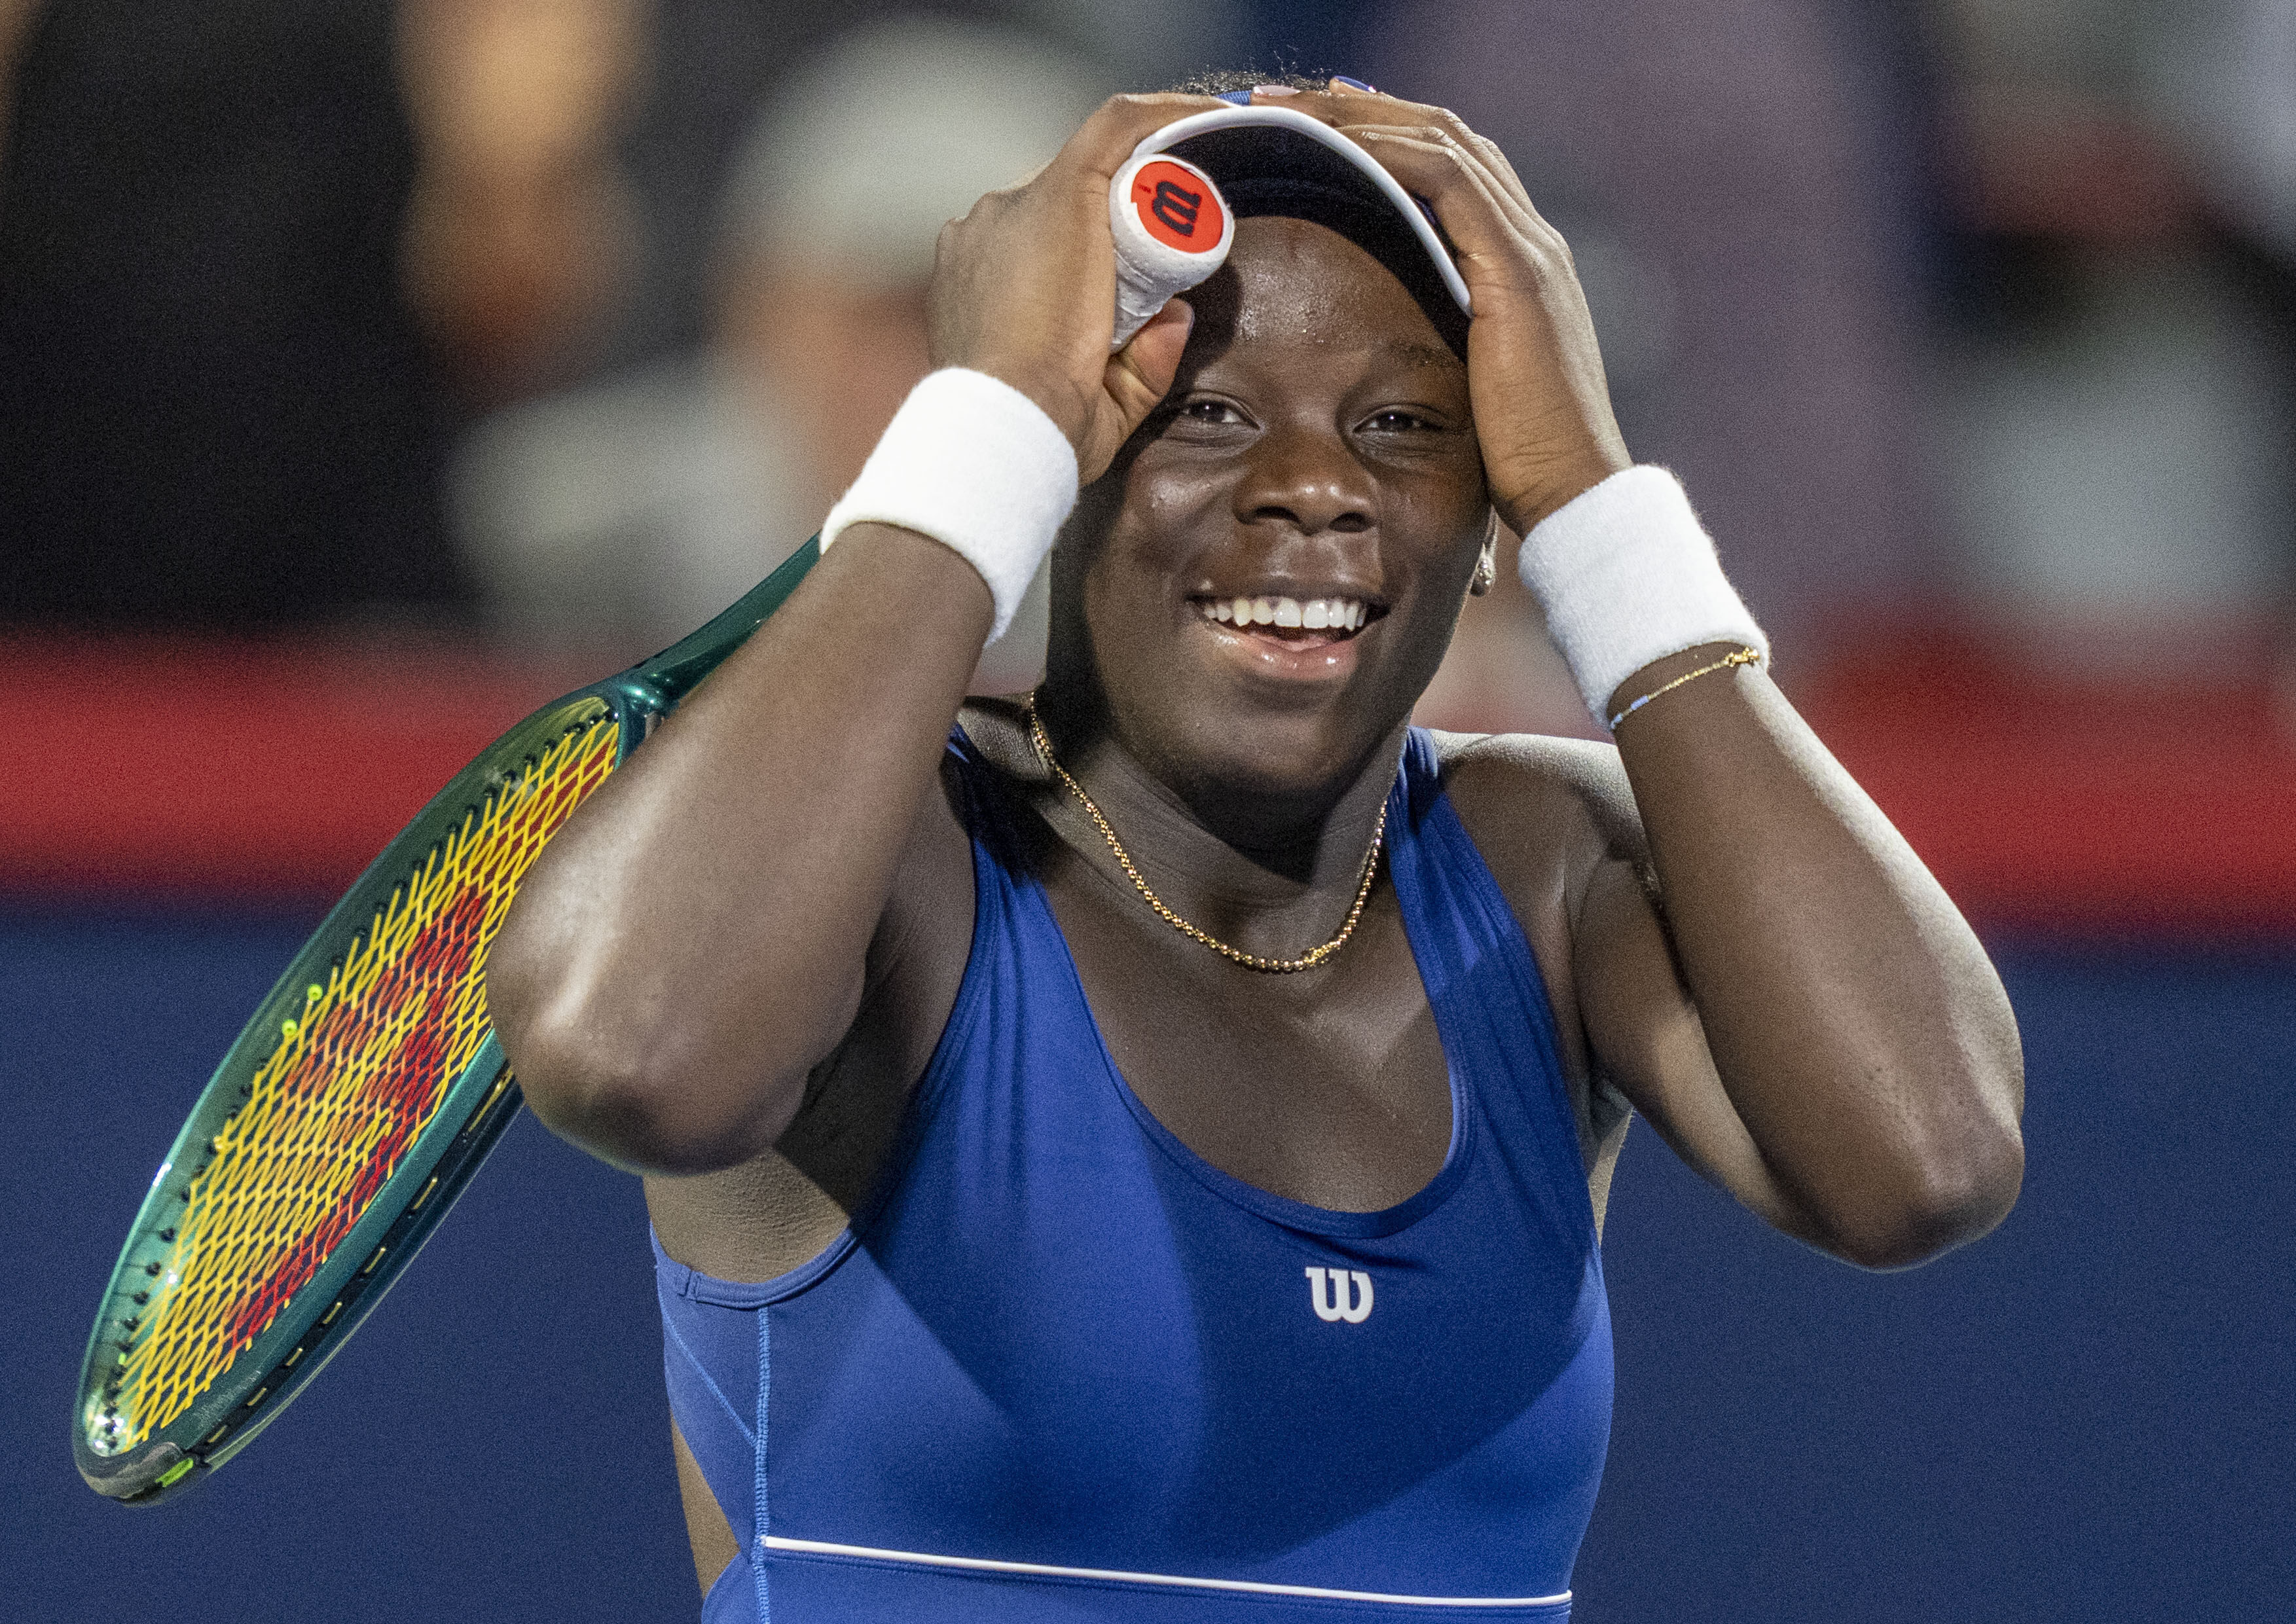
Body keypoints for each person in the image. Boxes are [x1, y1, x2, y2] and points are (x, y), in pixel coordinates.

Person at [488, 77, 2026, 1621]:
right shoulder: (889, 853)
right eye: (1206, 413)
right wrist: (983, 417)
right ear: (1068, 463)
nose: (1314, 487)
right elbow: (633, 1049)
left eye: (1404, 425)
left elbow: (1923, 1155)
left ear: (1487, 515)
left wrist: (1595, 506)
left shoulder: (1547, 867)